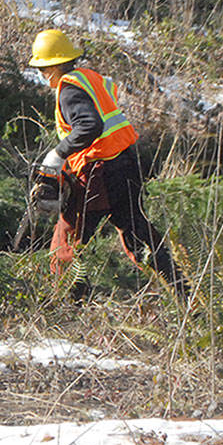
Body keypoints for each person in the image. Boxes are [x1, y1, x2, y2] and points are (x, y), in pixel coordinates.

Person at [27, 28, 186, 296]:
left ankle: (68, 307)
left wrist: (57, 155)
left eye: (43, 68)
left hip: (98, 174)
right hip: (125, 165)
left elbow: (90, 125)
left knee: (67, 242)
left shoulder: (68, 89)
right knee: (137, 233)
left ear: (56, 65)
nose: (43, 75)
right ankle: (184, 292)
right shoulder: (90, 78)